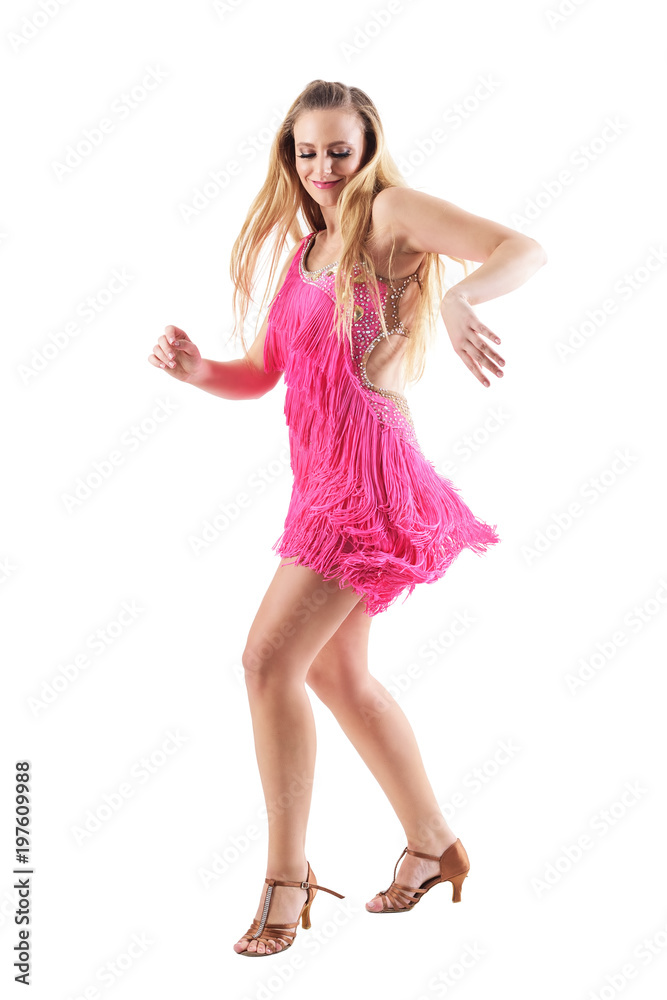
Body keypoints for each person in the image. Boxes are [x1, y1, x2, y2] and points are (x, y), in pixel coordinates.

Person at [148, 79, 546, 957]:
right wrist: (196, 370)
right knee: (334, 677)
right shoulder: (305, 250)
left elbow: (522, 249)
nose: (323, 167)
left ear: (367, 146)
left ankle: (286, 878)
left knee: (265, 663)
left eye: (339, 148)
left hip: (365, 483)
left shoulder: (392, 215)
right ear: (287, 158)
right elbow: (261, 373)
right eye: (307, 151)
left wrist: (458, 299)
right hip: (314, 485)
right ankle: (434, 843)